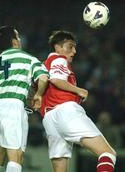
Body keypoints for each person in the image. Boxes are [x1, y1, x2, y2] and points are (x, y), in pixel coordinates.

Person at [40, 30, 116, 172]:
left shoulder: (42, 67)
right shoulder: (58, 59)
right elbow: (56, 79)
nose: (74, 51)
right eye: (70, 46)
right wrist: (79, 90)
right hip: (66, 111)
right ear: (57, 47)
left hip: (49, 118)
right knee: (108, 153)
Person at [0, 25, 48, 172]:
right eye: (18, 36)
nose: (20, 39)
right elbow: (44, 78)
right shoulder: (27, 58)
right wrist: (38, 95)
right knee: (16, 157)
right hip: (13, 109)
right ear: (14, 42)